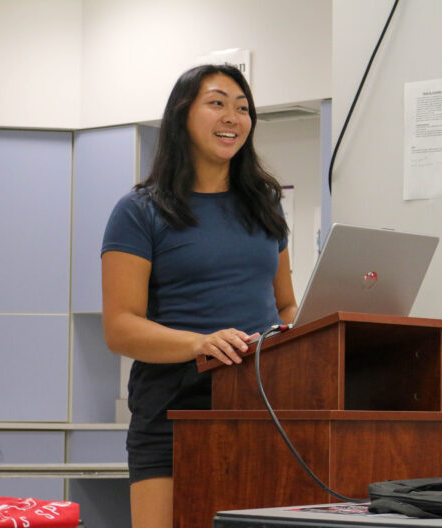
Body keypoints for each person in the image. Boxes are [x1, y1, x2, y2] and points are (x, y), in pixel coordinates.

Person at [100, 64, 297, 528]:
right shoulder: (139, 211)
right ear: (181, 116)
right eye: (217, 103)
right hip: (174, 405)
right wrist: (199, 342)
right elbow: (120, 326)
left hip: (260, 401)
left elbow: (286, 305)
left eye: (243, 108)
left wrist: (294, 335)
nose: (233, 117)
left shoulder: (265, 206)